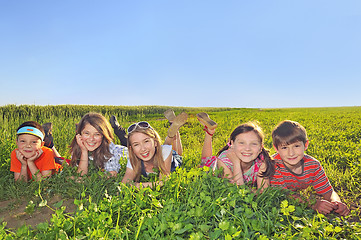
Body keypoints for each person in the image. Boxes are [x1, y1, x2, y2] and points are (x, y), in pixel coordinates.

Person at [270, 120, 350, 216]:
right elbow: (284, 195)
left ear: (306, 145)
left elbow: (328, 191)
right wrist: (313, 204)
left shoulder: (313, 165)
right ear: (276, 148)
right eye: (284, 148)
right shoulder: (273, 165)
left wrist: (336, 202)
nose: (291, 153)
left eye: (296, 146)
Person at [197, 112, 273, 191]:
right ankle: (209, 133)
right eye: (241, 143)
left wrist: (250, 191)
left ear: (261, 147)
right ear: (232, 144)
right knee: (206, 161)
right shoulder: (223, 161)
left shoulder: (262, 161)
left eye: (253, 144)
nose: (247, 148)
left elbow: (264, 191)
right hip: (214, 167)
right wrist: (236, 163)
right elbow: (236, 190)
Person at [121, 110, 187, 188]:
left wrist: (136, 185)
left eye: (146, 141)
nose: (143, 149)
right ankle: (171, 131)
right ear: (132, 149)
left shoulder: (165, 151)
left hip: (170, 158)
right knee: (164, 148)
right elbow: (123, 184)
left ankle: (175, 130)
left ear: (155, 142)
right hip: (160, 150)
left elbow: (163, 182)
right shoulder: (132, 160)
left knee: (176, 153)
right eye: (136, 144)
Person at [69, 112, 128, 177]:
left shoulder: (110, 151)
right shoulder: (79, 145)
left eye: (97, 134)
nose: (91, 139)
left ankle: (118, 129)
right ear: (79, 134)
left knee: (128, 143)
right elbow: (81, 174)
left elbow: (111, 174)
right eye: (87, 133)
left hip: (124, 151)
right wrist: (84, 151)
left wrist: (86, 180)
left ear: (103, 136)